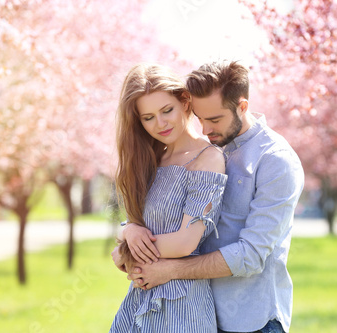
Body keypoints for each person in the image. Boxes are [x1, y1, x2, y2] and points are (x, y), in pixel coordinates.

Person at [118, 61, 305, 333]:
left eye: (215, 119)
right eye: (199, 118)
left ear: (242, 107)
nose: (205, 129)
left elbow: (251, 255)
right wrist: (129, 230)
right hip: (195, 312)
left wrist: (170, 270)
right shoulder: (202, 150)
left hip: (250, 320)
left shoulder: (275, 160)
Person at [109, 63, 228, 333]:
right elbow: (138, 225)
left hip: (183, 307)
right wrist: (130, 229)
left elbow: (186, 241)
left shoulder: (208, 158)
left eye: (167, 110)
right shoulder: (150, 159)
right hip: (140, 299)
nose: (160, 124)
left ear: (184, 102)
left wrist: (125, 251)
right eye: (148, 117)